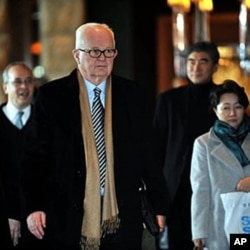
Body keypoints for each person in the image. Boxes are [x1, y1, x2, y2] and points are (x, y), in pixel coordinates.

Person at [20, 22, 168, 250]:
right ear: (77, 55)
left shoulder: (133, 95)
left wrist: (159, 205)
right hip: (67, 213)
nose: (102, 58)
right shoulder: (52, 97)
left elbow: (149, 155)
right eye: (94, 52)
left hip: (121, 213)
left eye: (109, 51)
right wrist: (34, 206)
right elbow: (36, 158)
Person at [153, 41, 220, 250]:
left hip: (213, 184)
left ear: (214, 67)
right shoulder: (169, 100)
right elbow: (156, 148)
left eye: (203, 62)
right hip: (177, 188)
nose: (196, 67)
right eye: (191, 62)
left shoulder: (225, 99)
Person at [190, 79, 250, 249]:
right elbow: (200, 189)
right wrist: (199, 231)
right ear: (215, 110)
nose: (233, 112)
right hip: (220, 220)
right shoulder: (204, 143)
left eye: (238, 106)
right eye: (226, 107)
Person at [0, 62, 36, 249]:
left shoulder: (46, 122)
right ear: (5, 87)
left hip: (40, 225)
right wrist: (11, 213)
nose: (24, 86)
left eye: (29, 81)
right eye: (18, 81)